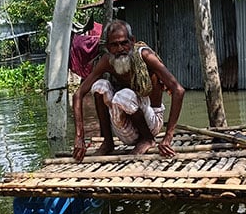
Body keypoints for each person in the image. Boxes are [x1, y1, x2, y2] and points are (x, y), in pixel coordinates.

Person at [72, 20, 185, 161]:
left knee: (123, 95)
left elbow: (178, 90)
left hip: (151, 121)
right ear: (107, 47)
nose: (120, 49)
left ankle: (148, 139)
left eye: (124, 43)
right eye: (114, 45)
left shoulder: (145, 56)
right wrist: (79, 136)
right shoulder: (107, 61)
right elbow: (78, 94)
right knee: (99, 86)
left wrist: (168, 137)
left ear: (132, 41)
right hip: (126, 127)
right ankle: (108, 141)